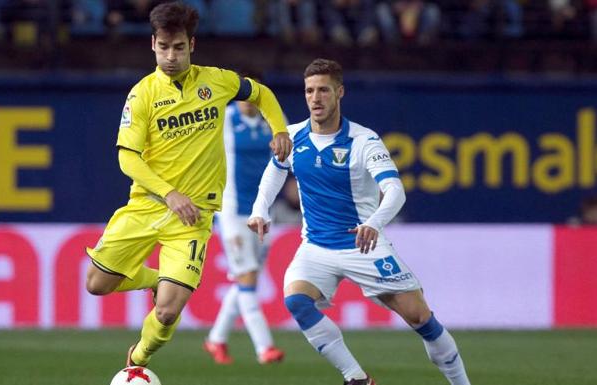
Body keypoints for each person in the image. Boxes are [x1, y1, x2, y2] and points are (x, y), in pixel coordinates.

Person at [84, 1, 292, 368]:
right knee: (96, 284)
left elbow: (260, 93)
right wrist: (169, 192)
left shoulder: (218, 81)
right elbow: (126, 158)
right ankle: (154, 280)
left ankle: (138, 359)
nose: (170, 56)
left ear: (191, 46)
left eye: (178, 47)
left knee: (166, 312)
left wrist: (278, 128)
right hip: (148, 206)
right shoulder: (142, 94)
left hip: (193, 216)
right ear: (152, 44)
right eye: (163, 47)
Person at [247, 58, 471, 385]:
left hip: (363, 245)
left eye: (324, 90)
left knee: (420, 317)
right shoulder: (293, 135)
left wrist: (374, 223)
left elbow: (394, 190)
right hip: (316, 247)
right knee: (296, 301)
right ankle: (356, 377)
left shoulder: (364, 141)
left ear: (340, 92)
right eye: (309, 90)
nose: (315, 98)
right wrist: (260, 209)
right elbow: (274, 172)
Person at [203, 82, 286, 365]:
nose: (246, 101)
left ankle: (215, 339)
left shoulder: (273, 119)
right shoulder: (224, 118)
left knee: (244, 281)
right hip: (231, 211)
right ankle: (265, 348)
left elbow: (288, 154)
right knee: (248, 278)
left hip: (262, 211)